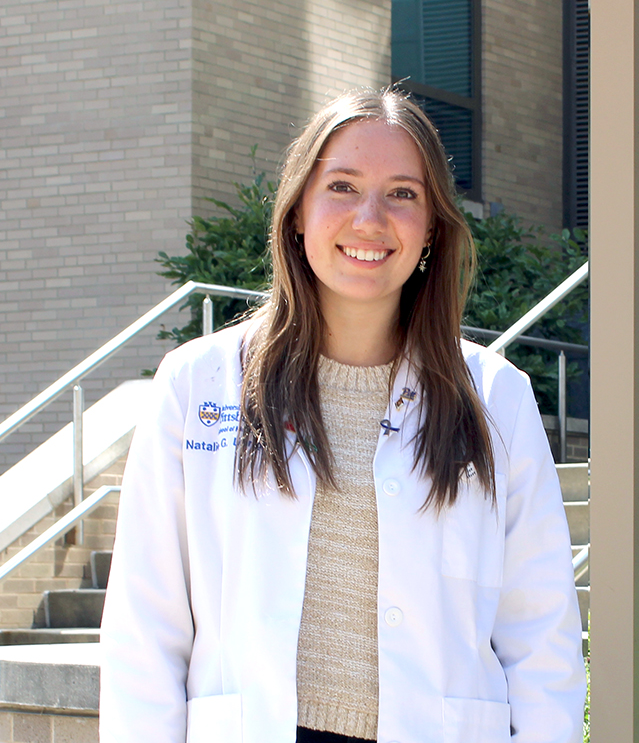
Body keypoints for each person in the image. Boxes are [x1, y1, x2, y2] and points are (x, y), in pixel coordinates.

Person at [100, 88, 586, 743]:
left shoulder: (496, 398)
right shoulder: (196, 386)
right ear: (299, 212)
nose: (370, 218)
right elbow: (145, 629)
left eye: (402, 194)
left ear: (432, 228)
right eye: (342, 186)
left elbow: (541, 635)